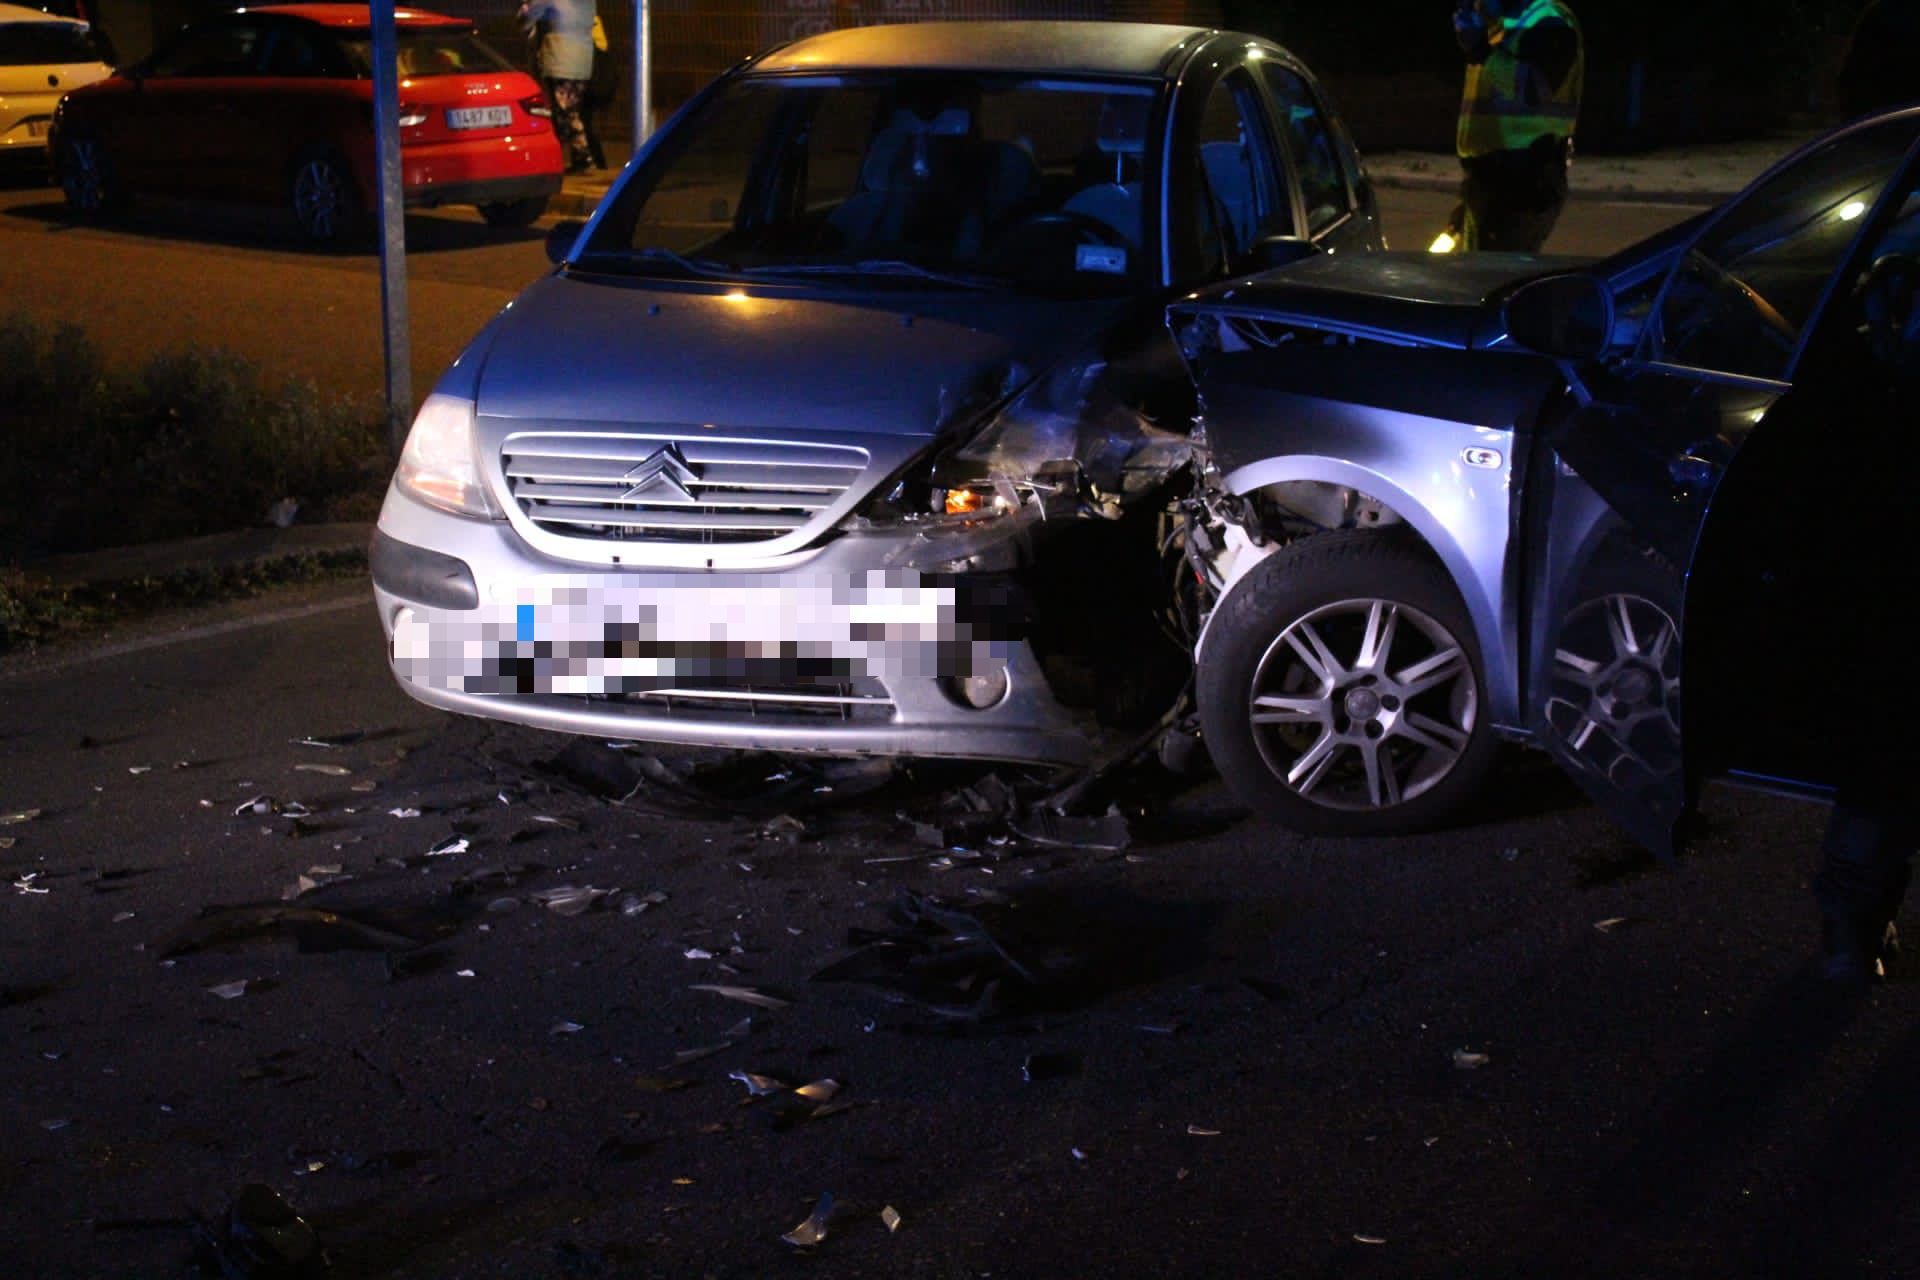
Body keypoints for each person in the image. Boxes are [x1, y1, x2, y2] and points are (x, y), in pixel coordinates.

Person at [1447, 0, 1583, 252]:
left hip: (1523, 185)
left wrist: (1481, 51)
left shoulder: (1548, 22)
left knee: (1497, 283)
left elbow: (1535, 90)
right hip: (1491, 183)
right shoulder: (1500, 30)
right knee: (1481, 280)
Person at [520, 0, 596, 174]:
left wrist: (526, 9)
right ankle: (577, 157)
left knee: (564, 112)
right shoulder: (588, 3)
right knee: (571, 109)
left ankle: (581, 156)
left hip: (560, 60)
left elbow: (527, 19)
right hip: (583, 61)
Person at [581, 13, 617, 172]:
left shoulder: (588, 18)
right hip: (591, 79)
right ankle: (595, 162)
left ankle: (596, 162)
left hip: (590, 79)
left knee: (585, 123)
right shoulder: (591, 17)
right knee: (585, 123)